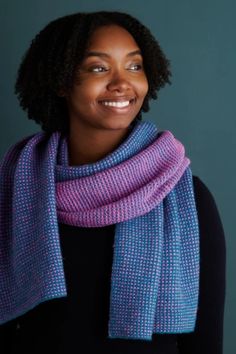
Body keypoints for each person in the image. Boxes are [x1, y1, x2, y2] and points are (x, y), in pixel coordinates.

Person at [0, 10, 226, 354]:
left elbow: (205, 342)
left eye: (134, 66)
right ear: (61, 82)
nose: (123, 82)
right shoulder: (18, 189)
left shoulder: (186, 196)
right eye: (98, 68)